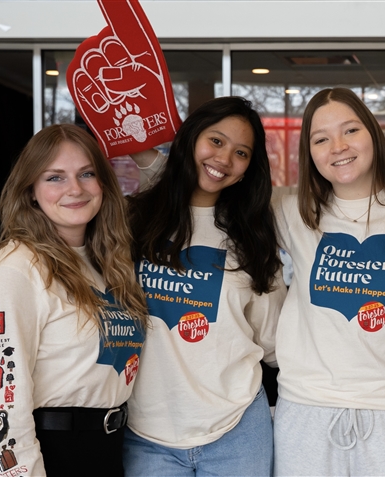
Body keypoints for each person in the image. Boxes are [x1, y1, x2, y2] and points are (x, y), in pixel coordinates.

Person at [272, 87, 385, 476]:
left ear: (373, 136)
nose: (338, 146)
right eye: (321, 138)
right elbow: (199, 192)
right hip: (307, 410)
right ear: (309, 152)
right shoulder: (291, 209)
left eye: (350, 130)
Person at [0, 124, 148, 477]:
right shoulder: (16, 269)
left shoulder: (107, 262)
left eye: (87, 174)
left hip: (110, 448)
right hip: (52, 452)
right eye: (55, 178)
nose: (75, 189)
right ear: (31, 191)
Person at [120, 97, 286, 476]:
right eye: (215, 141)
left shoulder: (253, 237)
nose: (224, 159)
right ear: (192, 138)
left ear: (248, 169)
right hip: (146, 433)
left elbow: (273, 337)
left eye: (241, 152)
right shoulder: (133, 220)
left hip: (238, 428)